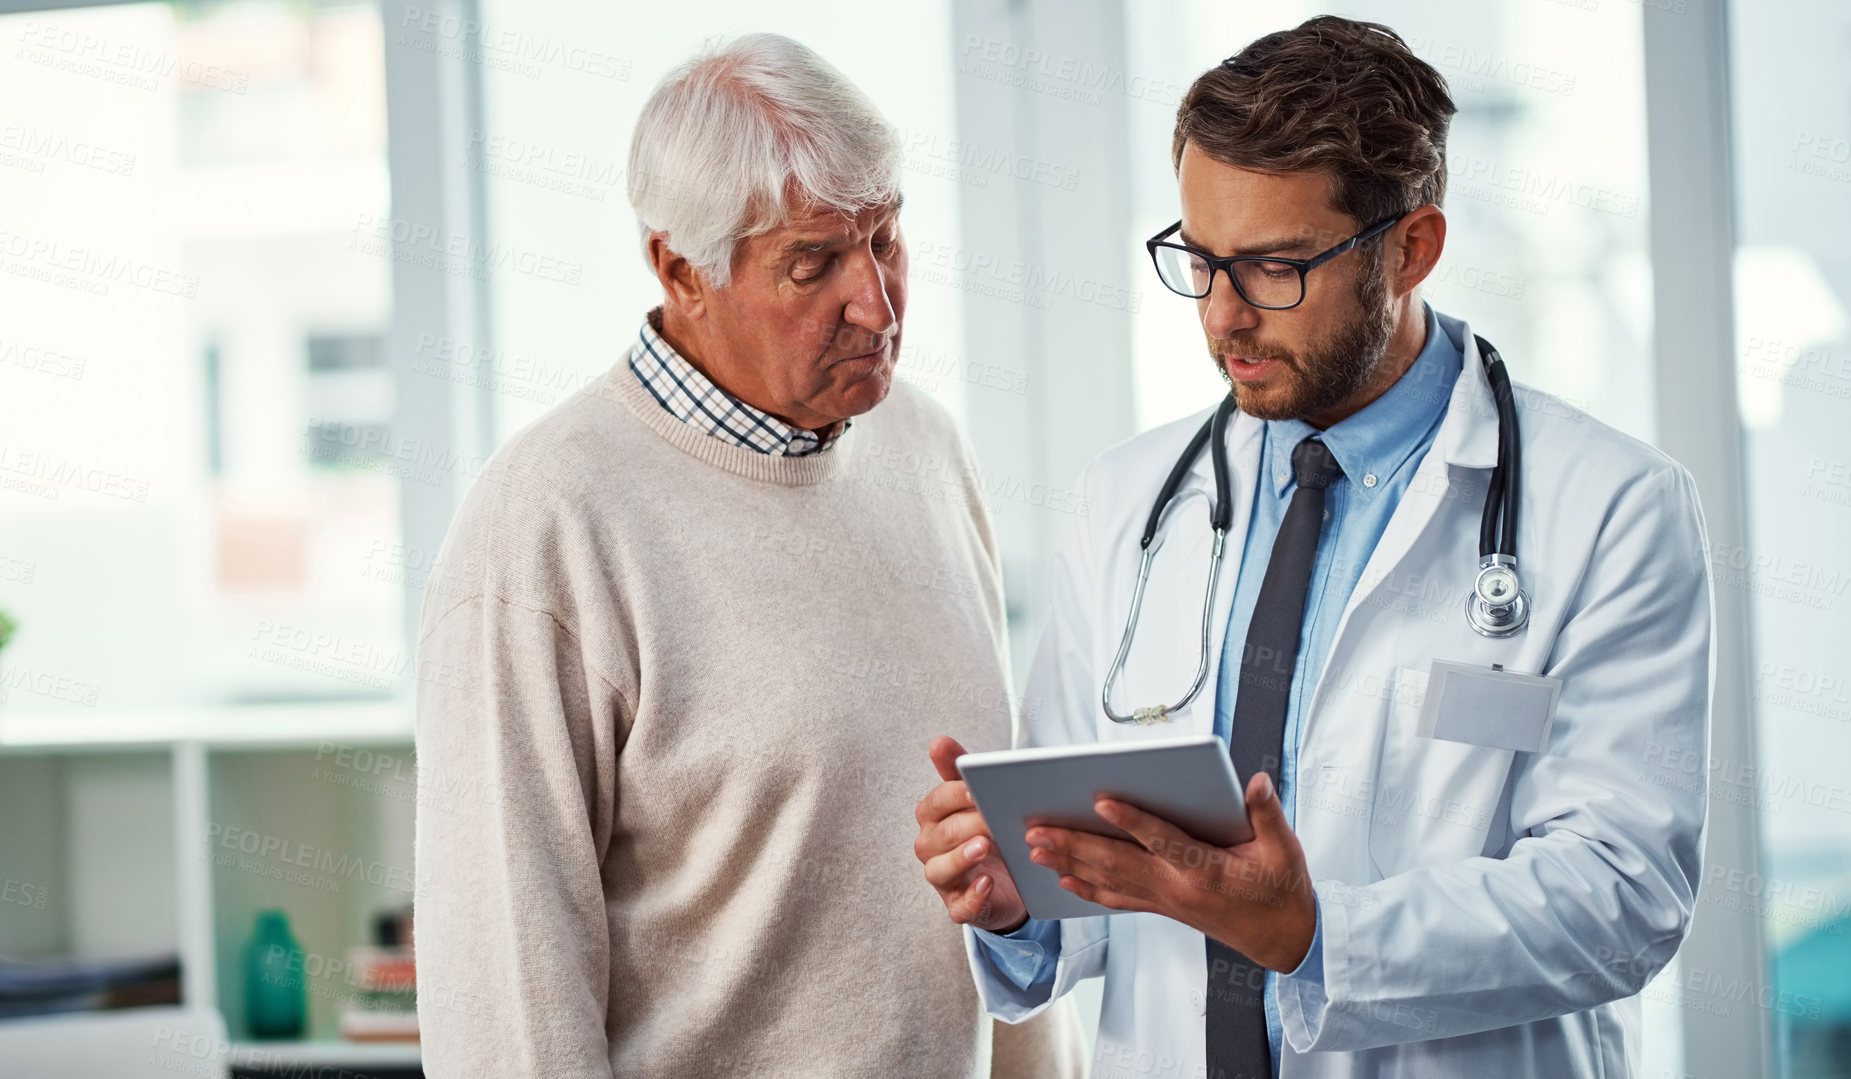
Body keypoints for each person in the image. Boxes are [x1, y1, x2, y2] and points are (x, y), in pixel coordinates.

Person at [914, 16, 1710, 1079]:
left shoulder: (1611, 506)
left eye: (1275, 268)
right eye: (1199, 260)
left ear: (1412, 247)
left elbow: (1623, 895)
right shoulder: (1127, 502)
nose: (1223, 319)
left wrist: (1314, 933)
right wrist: (1024, 899)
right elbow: (1109, 884)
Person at [414, 32, 1082, 1077]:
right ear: (681, 268)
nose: (877, 302)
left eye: (888, 239)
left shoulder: (925, 444)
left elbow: (997, 857)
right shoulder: (546, 518)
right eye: (812, 262)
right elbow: (504, 990)